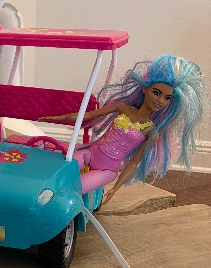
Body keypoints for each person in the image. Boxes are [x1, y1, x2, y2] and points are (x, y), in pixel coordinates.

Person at [38, 55, 206, 204]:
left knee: (72, 189)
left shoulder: (151, 132)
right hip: (90, 153)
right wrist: (56, 119)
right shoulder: (123, 108)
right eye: (156, 93)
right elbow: (87, 116)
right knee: (59, 171)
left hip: (107, 170)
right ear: (145, 88)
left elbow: (134, 163)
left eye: (167, 98)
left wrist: (115, 188)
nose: (161, 101)